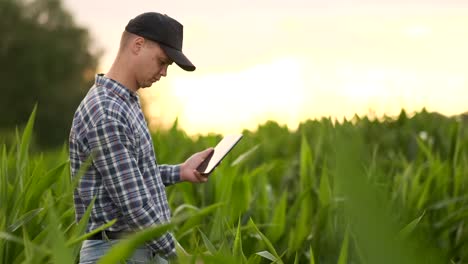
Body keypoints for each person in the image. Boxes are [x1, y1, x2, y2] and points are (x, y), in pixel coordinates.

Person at [69, 12, 213, 263]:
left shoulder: (125, 103)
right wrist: (184, 258)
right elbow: (135, 205)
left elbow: (129, 177)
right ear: (138, 45)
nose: (164, 72)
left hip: (138, 249)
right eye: (162, 61)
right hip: (116, 252)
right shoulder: (107, 112)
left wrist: (179, 171)